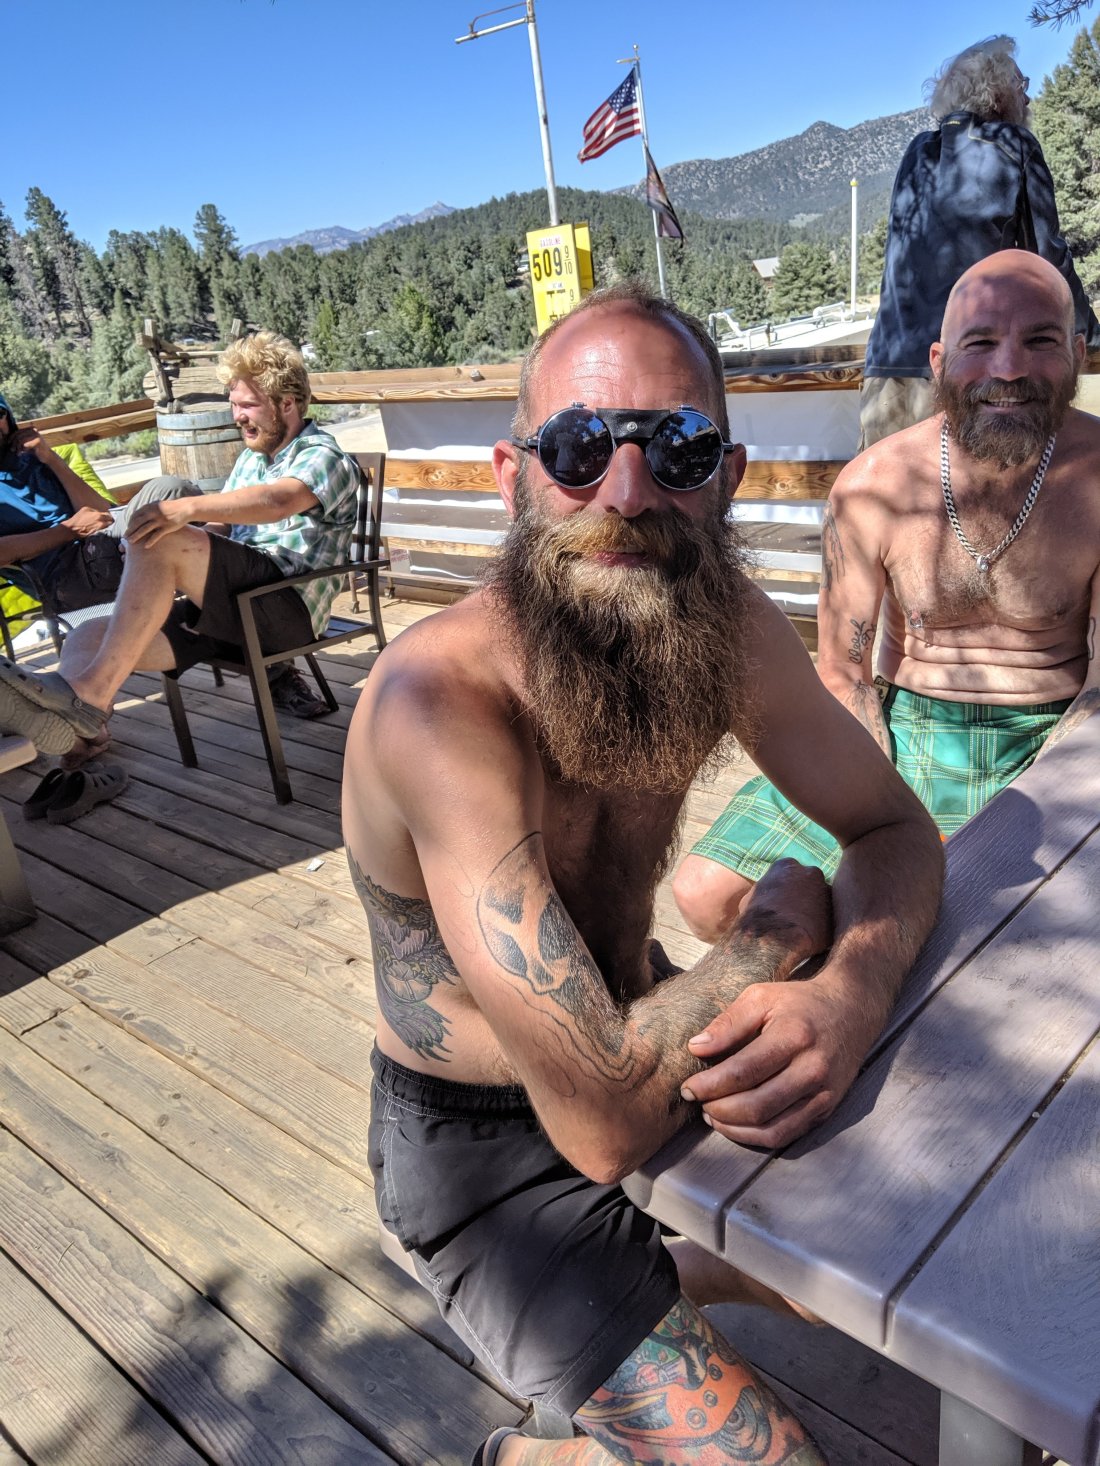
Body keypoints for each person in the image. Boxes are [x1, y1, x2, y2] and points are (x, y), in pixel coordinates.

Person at [343, 282, 944, 1465]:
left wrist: (849, 990)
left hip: (654, 1033)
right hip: (484, 1155)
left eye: (676, 447)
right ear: (513, 474)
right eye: (578, 447)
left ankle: (669, 1268)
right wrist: (773, 939)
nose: (624, 492)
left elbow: (894, 829)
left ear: (725, 475)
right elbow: (603, 1116)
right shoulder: (437, 701)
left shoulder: (718, 622)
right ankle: (534, 1449)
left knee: (925, 1286)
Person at [675, 250, 1099, 943]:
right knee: (706, 895)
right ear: (938, 362)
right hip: (897, 727)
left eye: (1040, 341)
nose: (1008, 369)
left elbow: (1099, 693)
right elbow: (844, 672)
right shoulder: (874, 485)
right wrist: (882, 816)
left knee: (984, 916)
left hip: (1049, 735)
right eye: (980, 343)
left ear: (1078, 354)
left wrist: (1038, 803)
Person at [0, 331, 358, 758]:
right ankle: (83, 738)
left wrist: (183, 512)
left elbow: (279, 501)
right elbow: (226, 529)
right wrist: (177, 555)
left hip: (284, 611)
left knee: (164, 536)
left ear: (288, 403)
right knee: (88, 635)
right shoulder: (251, 459)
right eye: (233, 404)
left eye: (247, 405)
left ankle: (88, 699)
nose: (237, 416)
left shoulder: (322, 454)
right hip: (233, 611)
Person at [859, 33, 1099, 450]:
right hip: (972, 372)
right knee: (991, 484)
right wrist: (1090, 335)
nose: (1028, 96)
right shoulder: (1014, 145)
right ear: (997, 90)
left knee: (887, 482)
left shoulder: (917, 152)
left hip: (889, 368)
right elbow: (1048, 261)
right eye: (1022, 84)